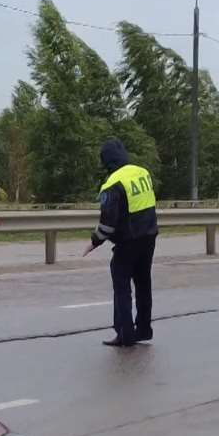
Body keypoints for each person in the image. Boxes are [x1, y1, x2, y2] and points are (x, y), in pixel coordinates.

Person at [83, 139, 159, 347]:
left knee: (122, 286)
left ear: (106, 161)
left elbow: (107, 223)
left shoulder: (112, 184)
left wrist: (94, 242)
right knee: (144, 284)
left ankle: (125, 334)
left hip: (128, 243)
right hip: (149, 237)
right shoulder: (142, 173)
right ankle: (143, 329)